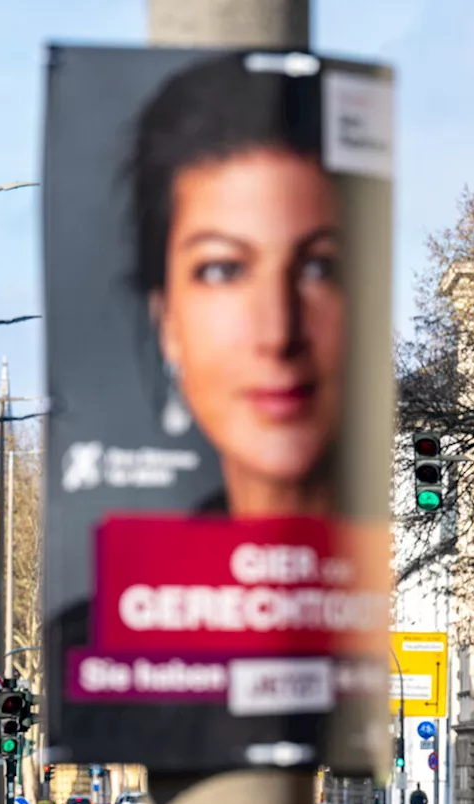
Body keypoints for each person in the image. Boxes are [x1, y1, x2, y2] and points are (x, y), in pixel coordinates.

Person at [130, 52, 344, 519]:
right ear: (166, 318)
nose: (278, 332)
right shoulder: (123, 591)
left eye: (319, 268)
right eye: (224, 269)